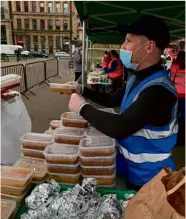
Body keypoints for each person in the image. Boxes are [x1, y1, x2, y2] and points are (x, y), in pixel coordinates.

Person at [68, 15, 178, 191]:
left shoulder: (159, 90)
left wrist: (82, 107)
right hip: (130, 169)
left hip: (150, 180)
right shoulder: (137, 77)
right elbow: (113, 99)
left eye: (128, 41)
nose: (122, 47)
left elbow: (121, 127)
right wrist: (83, 91)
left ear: (149, 46)